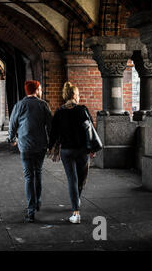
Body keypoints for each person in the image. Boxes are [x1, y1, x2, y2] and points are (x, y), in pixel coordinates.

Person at [48, 82, 96, 224]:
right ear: (74, 95)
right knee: (80, 179)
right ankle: (76, 208)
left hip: (66, 151)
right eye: (79, 95)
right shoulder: (82, 110)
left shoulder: (59, 112)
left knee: (72, 180)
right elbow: (91, 129)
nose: (79, 97)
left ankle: (75, 207)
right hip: (82, 150)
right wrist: (92, 148)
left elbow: (53, 133)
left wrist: (50, 146)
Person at [7, 80, 52, 223]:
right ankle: (37, 201)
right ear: (37, 89)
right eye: (40, 88)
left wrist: (11, 139)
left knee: (28, 176)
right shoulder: (43, 105)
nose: (41, 90)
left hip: (25, 145)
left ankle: (31, 210)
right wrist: (52, 143)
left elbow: (12, 124)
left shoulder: (20, 105)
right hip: (40, 145)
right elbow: (50, 126)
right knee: (38, 173)